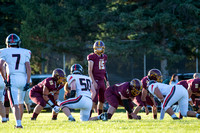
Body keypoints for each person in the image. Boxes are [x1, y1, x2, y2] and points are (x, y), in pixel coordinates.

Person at [0, 33, 31, 128]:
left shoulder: (4, 51)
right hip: (22, 77)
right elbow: (28, 68)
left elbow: (1, 65)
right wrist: (28, 81)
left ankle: (18, 124)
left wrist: (5, 79)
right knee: (20, 102)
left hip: (12, 77)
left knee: (14, 104)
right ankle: (19, 121)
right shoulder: (25, 52)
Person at [87, 40, 110, 115]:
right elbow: (90, 70)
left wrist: (107, 81)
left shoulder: (104, 57)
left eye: (100, 48)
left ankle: (100, 116)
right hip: (95, 80)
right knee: (93, 100)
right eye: (98, 48)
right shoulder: (92, 56)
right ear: (95, 48)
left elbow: (104, 70)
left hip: (101, 81)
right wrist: (93, 81)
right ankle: (88, 115)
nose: (99, 49)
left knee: (102, 100)